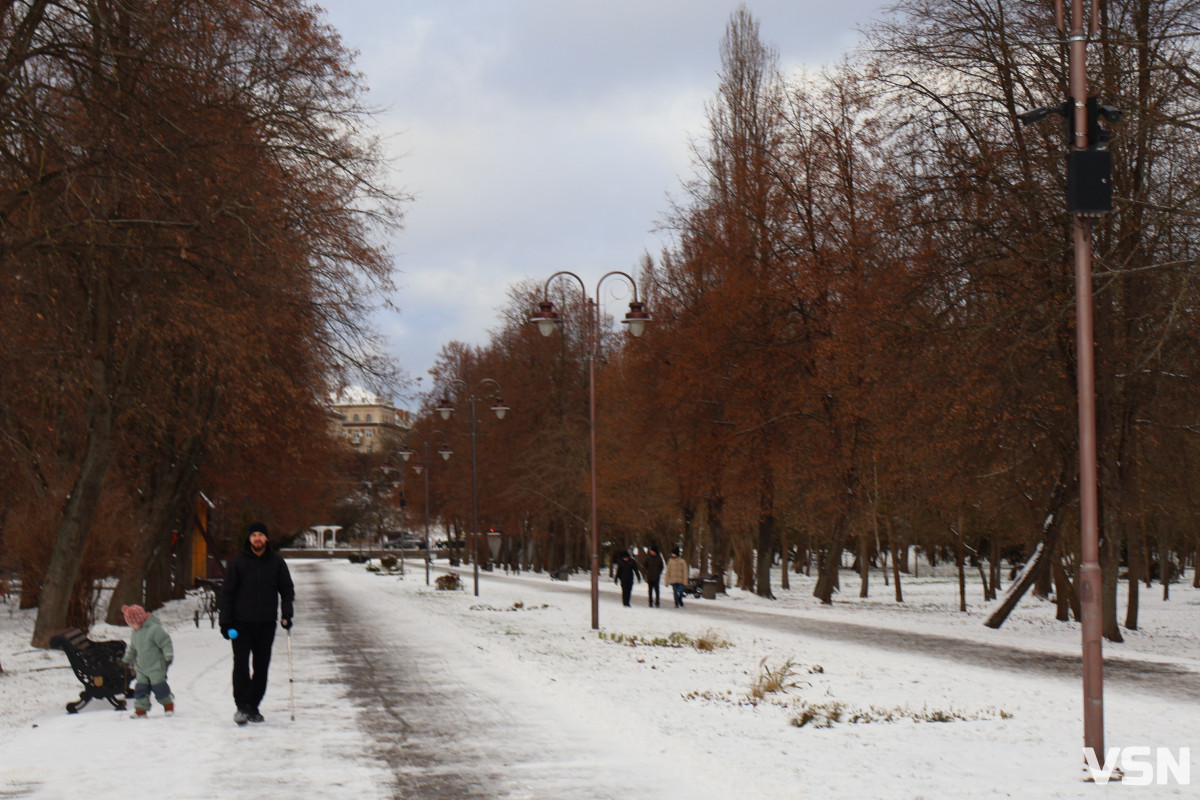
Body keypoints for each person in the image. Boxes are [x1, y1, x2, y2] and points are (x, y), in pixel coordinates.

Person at [219, 521, 294, 725]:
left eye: (261, 535)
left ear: (266, 538)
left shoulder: (276, 562)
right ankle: (242, 706)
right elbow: (227, 594)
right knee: (241, 665)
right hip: (240, 625)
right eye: (254, 535)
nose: (257, 539)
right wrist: (225, 622)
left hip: (266, 624)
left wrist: (287, 613)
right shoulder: (238, 562)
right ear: (249, 539)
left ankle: (254, 706)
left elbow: (287, 590)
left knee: (261, 668)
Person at [121, 604, 175, 718]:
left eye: (133, 623)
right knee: (141, 689)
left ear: (139, 620)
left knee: (159, 688)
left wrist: (168, 656)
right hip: (141, 668)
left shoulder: (154, 630)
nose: (132, 626)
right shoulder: (135, 634)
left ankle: (168, 705)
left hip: (156, 666)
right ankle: (141, 710)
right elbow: (133, 649)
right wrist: (126, 660)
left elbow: (166, 643)